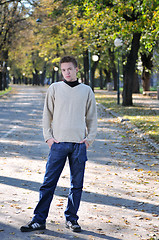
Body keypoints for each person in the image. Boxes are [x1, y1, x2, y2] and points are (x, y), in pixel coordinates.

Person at [20, 55, 97, 233]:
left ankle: (72, 219)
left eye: (69, 69)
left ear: (76, 69)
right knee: (48, 183)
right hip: (59, 144)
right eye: (63, 70)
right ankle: (39, 220)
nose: (66, 73)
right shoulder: (54, 88)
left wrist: (88, 140)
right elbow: (47, 115)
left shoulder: (86, 90)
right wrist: (48, 138)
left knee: (76, 185)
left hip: (79, 145)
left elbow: (92, 118)